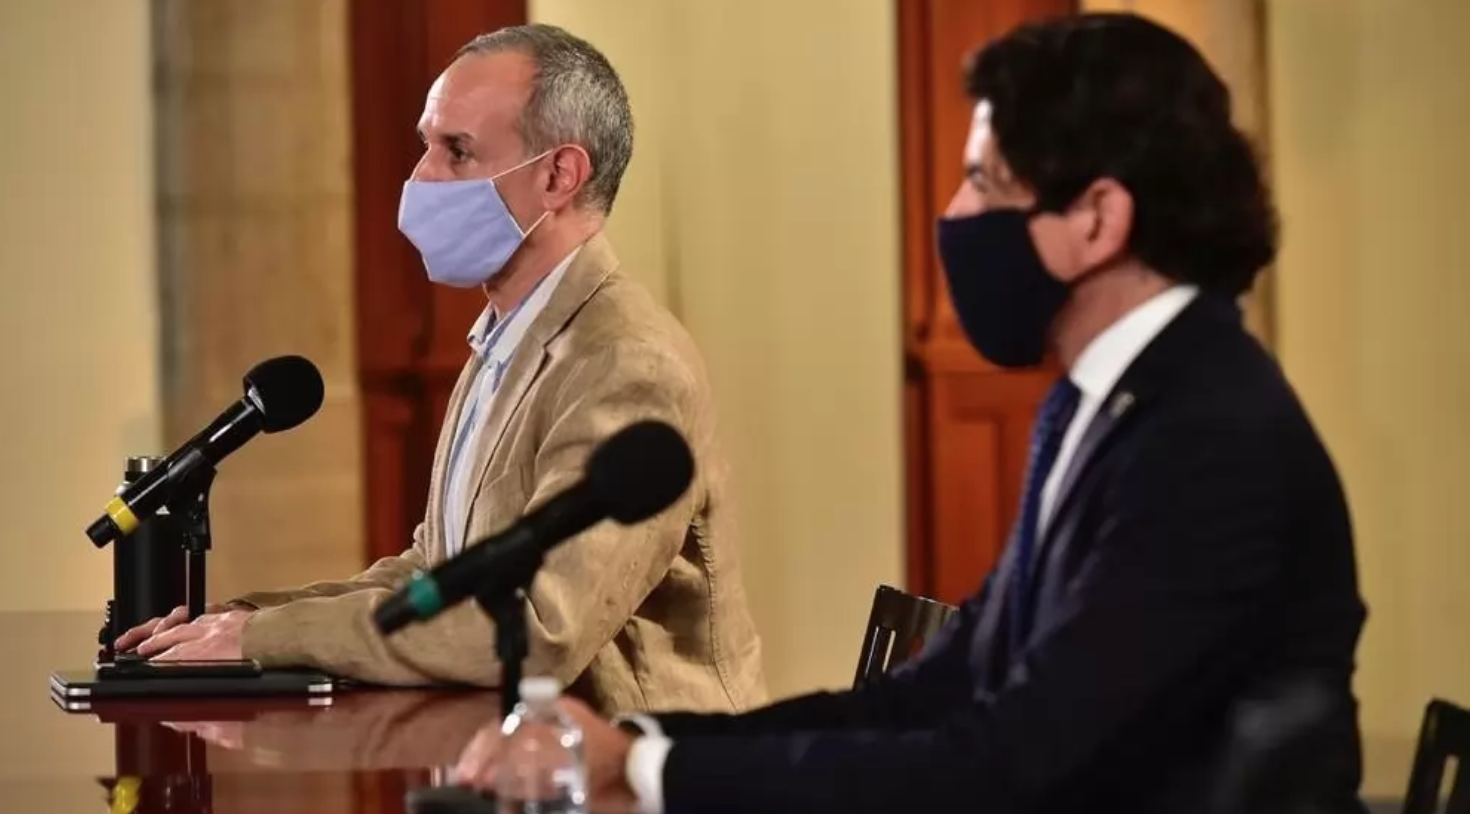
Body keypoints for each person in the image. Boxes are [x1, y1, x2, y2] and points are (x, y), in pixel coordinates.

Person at [455, 12, 1369, 814]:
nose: (956, 213)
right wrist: (641, 746)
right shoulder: (1097, 406)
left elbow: (1015, 763)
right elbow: (936, 694)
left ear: (1098, 217)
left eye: (986, 182)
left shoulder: (1208, 435)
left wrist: (647, 774)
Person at [115, 23, 766, 716]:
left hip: (638, 756)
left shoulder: (625, 360)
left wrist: (269, 639)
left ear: (558, 176)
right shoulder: (509, 336)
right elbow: (436, 574)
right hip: (522, 745)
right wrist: (247, 620)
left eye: (457, 151)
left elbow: (537, 630)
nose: (421, 177)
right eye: (425, 145)